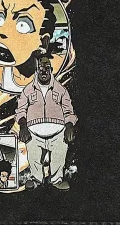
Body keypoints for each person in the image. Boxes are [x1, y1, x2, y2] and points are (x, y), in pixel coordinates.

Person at [16, 56, 77, 189]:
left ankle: (57, 180)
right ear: (36, 70)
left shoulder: (61, 90)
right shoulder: (28, 90)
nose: (44, 72)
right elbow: (21, 110)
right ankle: (36, 180)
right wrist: (23, 126)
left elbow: (68, 110)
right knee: (33, 153)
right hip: (34, 133)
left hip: (57, 132)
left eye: (47, 68)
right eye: (41, 68)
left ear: (51, 70)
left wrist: (69, 126)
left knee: (60, 151)